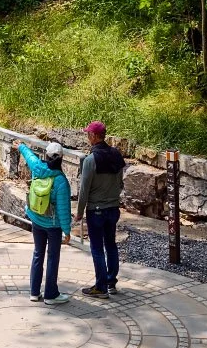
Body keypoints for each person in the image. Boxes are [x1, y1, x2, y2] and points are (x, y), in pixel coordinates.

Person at [16, 139, 73, 303]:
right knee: (52, 257)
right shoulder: (61, 181)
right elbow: (63, 209)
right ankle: (51, 294)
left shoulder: (38, 169)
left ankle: (34, 292)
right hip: (53, 226)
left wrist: (21, 146)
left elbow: (30, 157)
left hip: (36, 219)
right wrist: (67, 231)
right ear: (61, 158)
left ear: (46, 156)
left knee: (37, 254)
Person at [78, 120, 127, 296]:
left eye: (88, 134)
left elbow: (84, 189)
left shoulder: (90, 160)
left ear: (93, 136)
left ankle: (100, 287)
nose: (87, 137)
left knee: (97, 248)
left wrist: (79, 212)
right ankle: (111, 282)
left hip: (96, 210)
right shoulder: (116, 155)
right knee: (111, 245)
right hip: (113, 208)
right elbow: (120, 183)